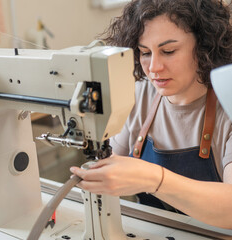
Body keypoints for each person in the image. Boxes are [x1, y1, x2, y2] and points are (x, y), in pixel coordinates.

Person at [70, 0, 232, 229]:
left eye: (168, 51)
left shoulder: (229, 102)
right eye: (145, 53)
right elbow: (107, 164)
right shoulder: (140, 94)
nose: (154, 67)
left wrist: (155, 179)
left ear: (205, 46)